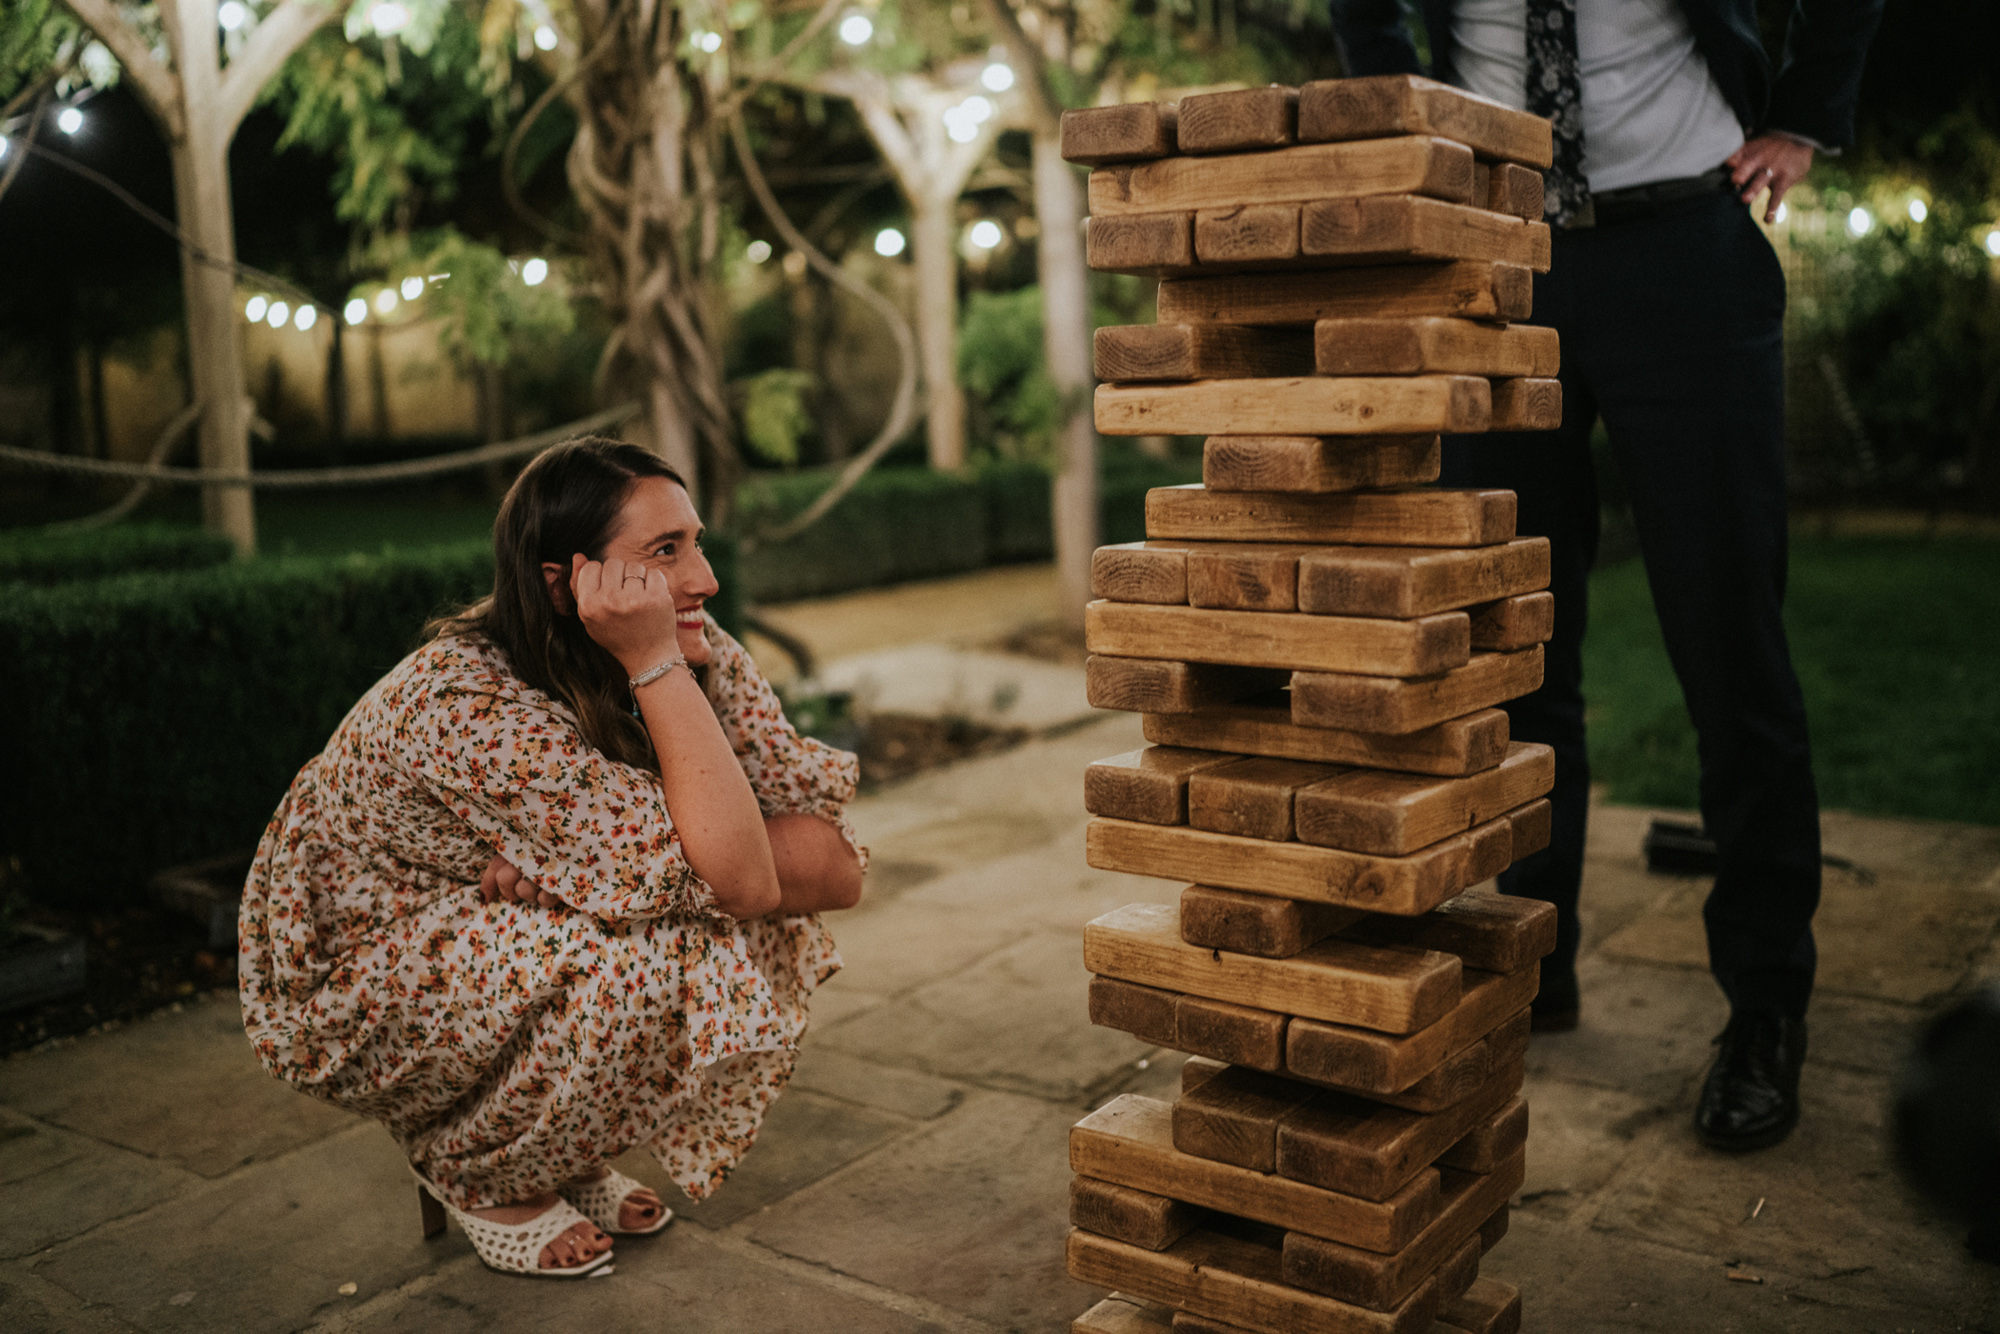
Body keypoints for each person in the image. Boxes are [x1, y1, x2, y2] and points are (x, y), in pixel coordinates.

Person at [1325, 0, 1882, 1151]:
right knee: (1513, 640)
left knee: (1730, 648)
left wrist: (1803, 119)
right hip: (1500, 261)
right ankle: (1534, 960)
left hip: (1684, 247)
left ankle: (1765, 1007)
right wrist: (1401, 126)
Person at [239, 438, 866, 1276]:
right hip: (353, 970)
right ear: (561, 581)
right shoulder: (469, 705)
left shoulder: (692, 637)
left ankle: (550, 1150)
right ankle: (475, 1166)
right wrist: (651, 668)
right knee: (658, 954)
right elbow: (746, 877)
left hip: (477, 932)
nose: (704, 579)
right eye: (665, 551)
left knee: (694, 912)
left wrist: (605, 876)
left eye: (696, 541)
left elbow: (833, 868)